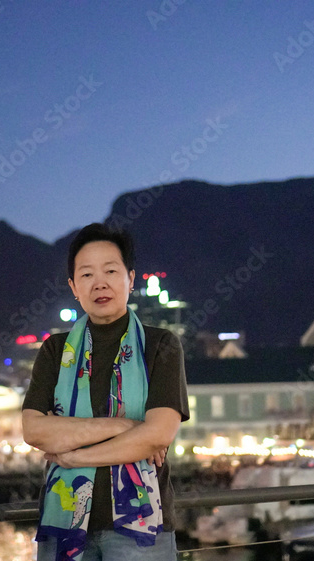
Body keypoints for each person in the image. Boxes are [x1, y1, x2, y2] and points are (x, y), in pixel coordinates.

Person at [22, 223, 190, 561]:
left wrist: (73, 455)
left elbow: (158, 434)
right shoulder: (56, 351)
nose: (99, 282)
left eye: (110, 271)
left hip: (141, 528)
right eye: (86, 275)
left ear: (130, 279)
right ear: (73, 287)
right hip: (64, 526)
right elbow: (34, 430)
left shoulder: (160, 346)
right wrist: (126, 427)